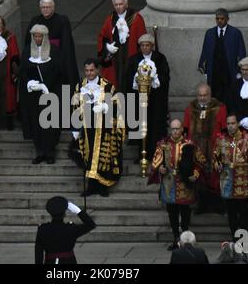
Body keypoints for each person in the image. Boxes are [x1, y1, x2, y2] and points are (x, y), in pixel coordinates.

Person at [148, 119, 206, 250]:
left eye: (177, 129)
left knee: (185, 212)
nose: (174, 131)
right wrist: (160, 169)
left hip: (184, 184)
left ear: (182, 130)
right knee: (172, 212)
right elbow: (155, 163)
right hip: (169, 184)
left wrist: (195, 174)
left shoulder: (189, 145)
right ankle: (175, 239)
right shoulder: (163, 144)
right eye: (172, 129)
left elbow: (201, 162)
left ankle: (186, 239)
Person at [72, 58, 125, 197]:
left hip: (103, 127)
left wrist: (105, 106)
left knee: (103, 156)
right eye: (87, 70)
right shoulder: (79, 86)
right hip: (86, 127)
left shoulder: (107, 86)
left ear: (97, 70)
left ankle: (103, 185)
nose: (89, 73)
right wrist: (75, 127)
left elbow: (117, 105)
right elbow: (75, 106)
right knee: (88, 155)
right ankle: (91, 186)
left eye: (92, 70)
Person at [213, 114, 248, 240]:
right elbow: (215, 157)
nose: (230, 126)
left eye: (233, 123)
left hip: (242, 181)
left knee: (243, 212)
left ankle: (243, 241)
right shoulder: (221, 140)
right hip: (227, 181)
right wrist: (217, 164)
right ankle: (235, 239)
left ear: (238, 124)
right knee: (231, 213)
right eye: (228, 123)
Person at [19, 24, 62, 165]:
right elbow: (23, 71)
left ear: (44, 37)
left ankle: (50, 152)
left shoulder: (54, 51)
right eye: (35, 36)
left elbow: (57, 71)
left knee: (49, 123)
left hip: (49, 94)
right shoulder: (27, 51)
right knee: (36, 122)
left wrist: (45, 84)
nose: (37, 39)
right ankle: (39, 152)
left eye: (40, 36)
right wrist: (30, 83)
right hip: (33, 96)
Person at [183, 83, 227, 214]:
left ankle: (217, 205)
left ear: (210, 95)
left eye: (205, 95)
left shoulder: (220, 108)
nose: (202, 98)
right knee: (199, 175)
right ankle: (201, 205)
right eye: (200, 95)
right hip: (196, 149)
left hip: (215, 148)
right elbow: (185, 129)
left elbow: (224, 130)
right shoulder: (190, 109)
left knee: (215, 176)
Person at [126, 33, 170, 161]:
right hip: (139, 99)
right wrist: (137, 80)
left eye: (147, 45)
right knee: (141, 126)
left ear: (152, 46)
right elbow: (128, 78)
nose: (145, 48)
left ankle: (156, 154)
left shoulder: (160, 58)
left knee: (155, 126)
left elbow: (165, 77)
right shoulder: (134, 59)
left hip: (156, 100)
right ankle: (141, 154)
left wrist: (153, 79)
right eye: (142, 45)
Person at [25, 0, 79, 91]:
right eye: (43, 7)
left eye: (48, 7)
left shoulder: (62, 20)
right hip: (40, 58)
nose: (45, 9)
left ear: (53, 7)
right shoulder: (35, 21)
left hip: (57, 58)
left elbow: (66, 44)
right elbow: (29, 42)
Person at [97, 0, 146, 92]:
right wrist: (107, 48)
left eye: (121, 4)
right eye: (116, 5)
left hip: (131, 59)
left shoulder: (136, 19)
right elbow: (102, 38)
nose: (119, 7)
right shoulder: (109, 20)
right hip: (115, 61)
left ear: (126, 5)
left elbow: (143, 40)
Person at [198, 8, 246, 106]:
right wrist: (205, 68)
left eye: (222, 18)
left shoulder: (235, 33)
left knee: (229, 98)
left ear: (227, 19)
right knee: (214, 98)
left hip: (229, 71)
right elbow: (205, 51)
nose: (220, 21)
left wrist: (239, 71)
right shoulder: (209, 33)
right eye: (217, 19)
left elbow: (241, 52)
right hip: (214, 71)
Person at [35, 196, 96, 264]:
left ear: (50, 214)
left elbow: (38, 254)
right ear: (64, 214)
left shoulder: (43, 230)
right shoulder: (71, 228)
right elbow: (91, 225)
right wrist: (78, 211)